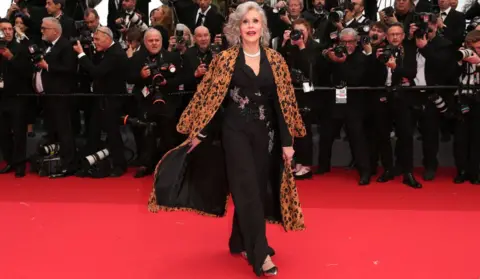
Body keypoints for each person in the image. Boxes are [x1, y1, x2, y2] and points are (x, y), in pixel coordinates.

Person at [147, 1, 306, 277]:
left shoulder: (276, 61)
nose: (251, 26)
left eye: (256, 21)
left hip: (265, 136)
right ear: (237, 27)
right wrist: (201, 134)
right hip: (235, 133)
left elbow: (282, 103)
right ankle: (260, 253)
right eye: (245, 22)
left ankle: (239, 240)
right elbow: (215, 102)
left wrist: (287, 141)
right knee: (246, 189)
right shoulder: (225, 60)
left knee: (254, 189)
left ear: (263, 27)